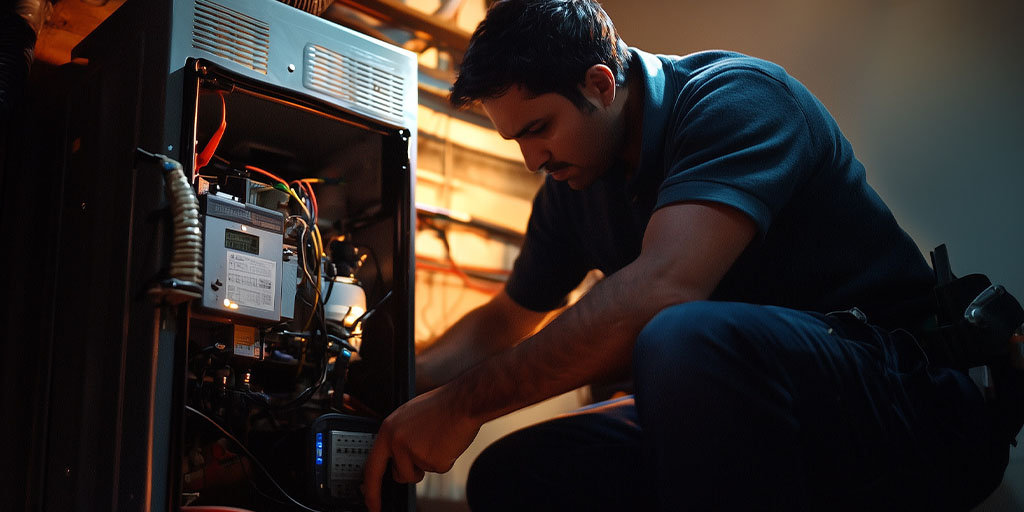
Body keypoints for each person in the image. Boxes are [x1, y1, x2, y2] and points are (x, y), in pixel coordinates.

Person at [362, 0, 1023, 510]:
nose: (531, 158)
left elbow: (660, 293)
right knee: (514, 476)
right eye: (516, 139)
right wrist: (396, 385)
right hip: (768, 412)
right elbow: (507, 319)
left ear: (599, 84)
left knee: (678, 336)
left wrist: (464, 405)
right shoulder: (573, 184)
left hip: (913, 400)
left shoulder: (736, 99)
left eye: (538, 129)